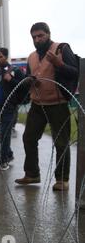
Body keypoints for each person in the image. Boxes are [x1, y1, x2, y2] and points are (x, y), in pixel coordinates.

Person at [15, 22, 78, 190]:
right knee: (28, 137)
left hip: (57, 103)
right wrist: (29, 80)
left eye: (40, 35)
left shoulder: (62, 49)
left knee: (61, 142)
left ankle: (62, 180)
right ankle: (32, 174)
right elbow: (30, 75)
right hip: (37, 103)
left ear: (48, 34)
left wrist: (59, 64)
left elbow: (75, 72)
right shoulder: (31, 57)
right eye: (34, 37)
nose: (37, 39)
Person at [0, 48, 24, 171]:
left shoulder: (15, 71)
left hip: (9, 107)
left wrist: (11, 80)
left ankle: (3, 161)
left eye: (0, 57)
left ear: (6, 57)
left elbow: (24, 85)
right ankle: (9, 153)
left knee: (5, 133)